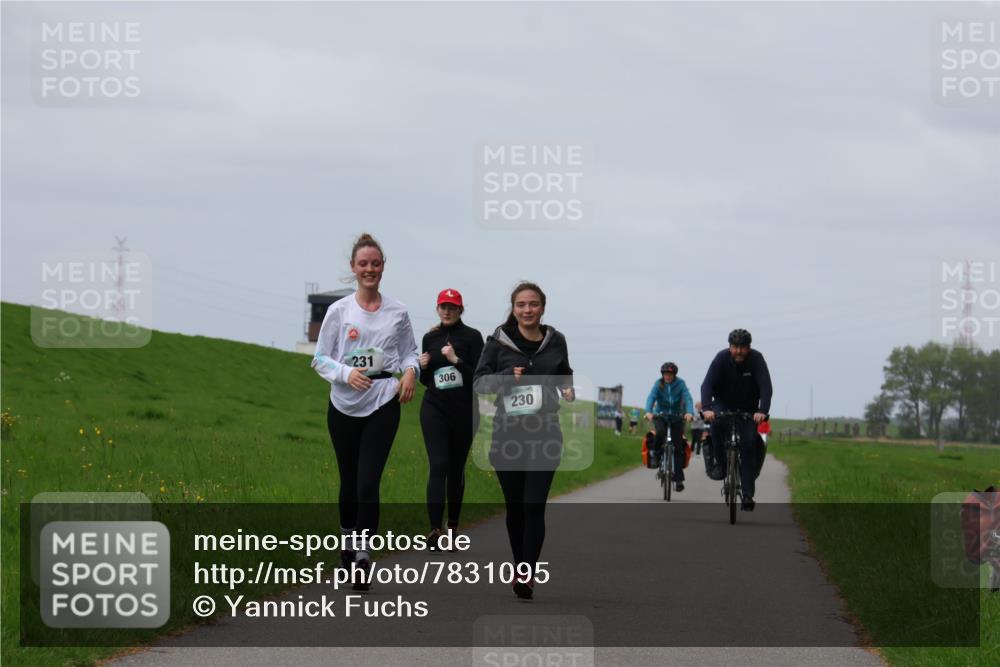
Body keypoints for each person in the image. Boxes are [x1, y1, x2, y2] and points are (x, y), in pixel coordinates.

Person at [311, 233, 420, 589]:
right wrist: (346, 373)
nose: (369, 269)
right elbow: (320, 359)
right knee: (349, 482)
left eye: (375, 263)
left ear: (383, 268)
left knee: (369, 481)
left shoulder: (398, 312)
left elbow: (409, 353)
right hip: (343, 405)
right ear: (353, 268)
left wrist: (410, 373)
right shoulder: (338, 311)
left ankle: (362, 556)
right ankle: (346, 542)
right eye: (363, 264)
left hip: (382, 403)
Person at [474, 282, 574, 600]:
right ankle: (521, 566)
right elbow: (479, 383)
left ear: (542, 308)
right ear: (513, 308)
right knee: (515, 508)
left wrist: (566, 389)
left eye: (533, 304)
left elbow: (564, 373)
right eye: (521, 305)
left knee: (534, 506)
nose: (527, 310)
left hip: (545, 433)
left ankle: (526, 573)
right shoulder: (497, 342)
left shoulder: (556, 341)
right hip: (508, 435)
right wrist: (506, 378)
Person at [418, 288, 484, 550]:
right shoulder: (429, 337)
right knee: (439, 465)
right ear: (437, 309)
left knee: (455, 469)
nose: (447, 311)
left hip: (465, 411)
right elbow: (427, 380)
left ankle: (453, 529)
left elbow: (479, 378)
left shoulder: (472, 337)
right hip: (434, 408)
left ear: (460, 309)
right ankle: (434, 529)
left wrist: (456, 360)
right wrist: (423, 367)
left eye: (452, 307)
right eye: (443, 306)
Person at [700, 328, 773, 511]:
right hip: (723, 404)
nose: (738, 351)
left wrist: (762, 410)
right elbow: (707, 384)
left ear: (749, 347)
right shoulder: (721, 358)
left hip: (748, 408)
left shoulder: (757, 359)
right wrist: (707, 408)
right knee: (715, 426)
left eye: (742, 347)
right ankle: (721, 465)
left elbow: (766, 387)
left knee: (748, 445)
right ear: (729, 347)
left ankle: (747, 495)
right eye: (735, 347)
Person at [644, 362, 694, 492]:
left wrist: (689, 412)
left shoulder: (680, 384)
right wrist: (648, 411)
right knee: (660, 433)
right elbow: (651, 397)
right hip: (661, 415)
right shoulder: (658, 384)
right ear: (662, 374)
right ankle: (655, 453)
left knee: (677, 447)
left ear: (674, 375)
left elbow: (688, 398)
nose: (668, 376)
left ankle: (678, 480)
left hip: (677, 417)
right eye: (666, 374)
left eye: (670, 374)